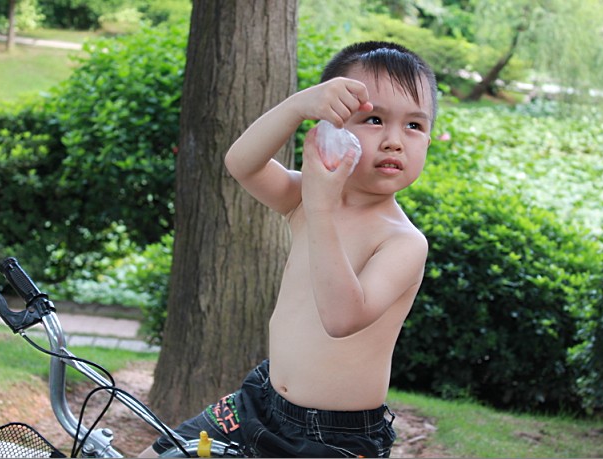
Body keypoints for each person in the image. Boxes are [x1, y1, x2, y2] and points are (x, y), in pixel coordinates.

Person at [141, 40, 437, 458]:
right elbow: (242, 164)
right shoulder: (305, 196)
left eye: (414, 126)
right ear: (333, 128)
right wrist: (298, 107)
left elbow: (342, 318)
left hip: (334, 438)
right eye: (374, 119)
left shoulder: (402, 241)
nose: (394, 141)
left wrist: (320, 207)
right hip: (260, 400)